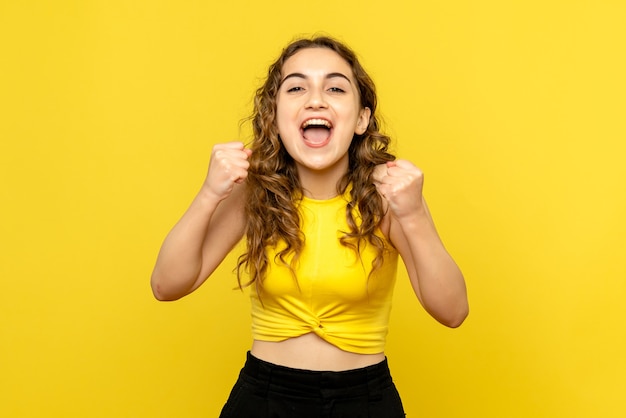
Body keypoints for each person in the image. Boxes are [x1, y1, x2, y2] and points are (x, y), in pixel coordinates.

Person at [151, 35, 469, 418]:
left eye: (335, 87)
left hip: (365, 401)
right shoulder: (256, 191)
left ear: (362, 119)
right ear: (275, 115)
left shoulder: (388, 195)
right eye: (297, 87)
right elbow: (166, 285)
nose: (316, 99)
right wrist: (208, 194)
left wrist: (414, 217)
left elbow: (453, 311)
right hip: (265, 399)